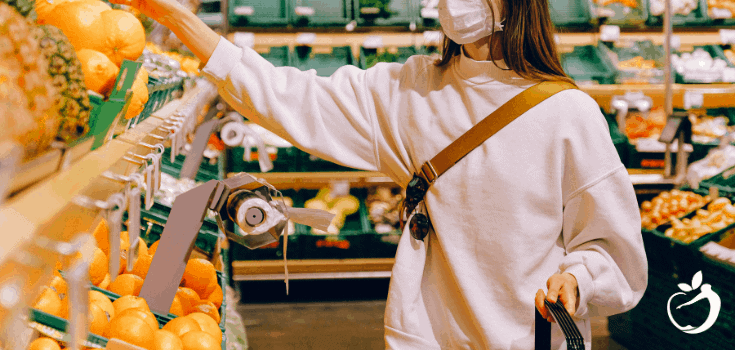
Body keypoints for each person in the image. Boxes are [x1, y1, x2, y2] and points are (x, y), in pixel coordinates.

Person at [112, 0, 649, 348]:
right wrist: (179, 21)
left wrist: (579, 277)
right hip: (421, 338)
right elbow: (288, 95)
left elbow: (613, 250)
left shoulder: (566, 116)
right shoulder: (414, 91)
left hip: (524, 339)